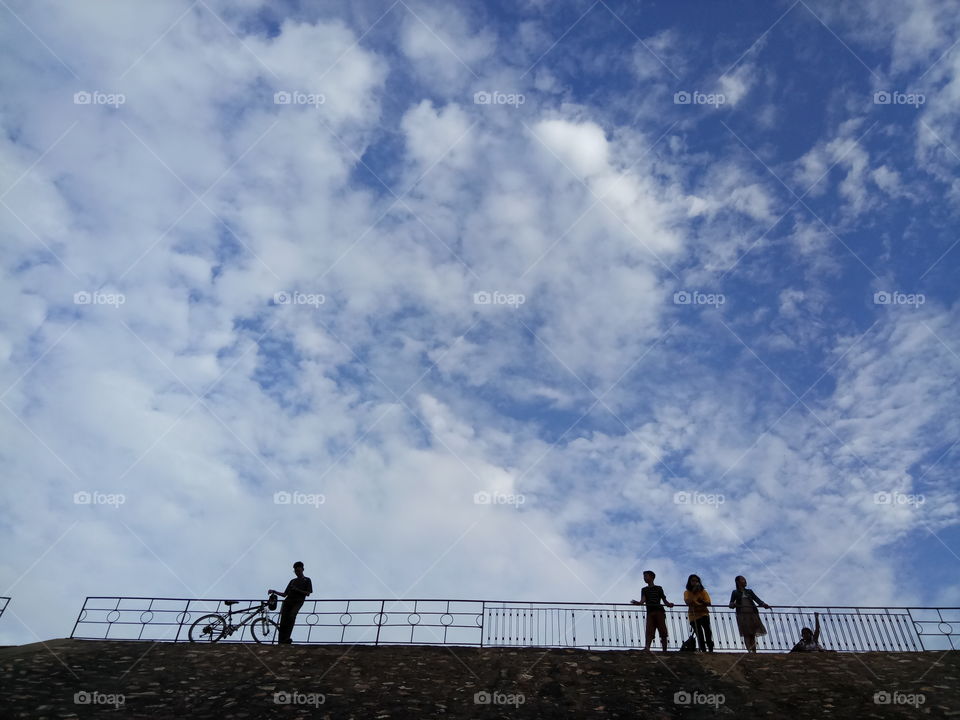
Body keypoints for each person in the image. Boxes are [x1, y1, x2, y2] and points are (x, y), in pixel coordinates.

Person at [268, 561, 313, 644]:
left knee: (292, 617)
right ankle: (281, 641)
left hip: (298, 602)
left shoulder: (307, 580)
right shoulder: (292, 581)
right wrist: (274, 591)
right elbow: (284, 594)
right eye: (295, 571)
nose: (297, 572)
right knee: (283, 621)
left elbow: (308, 593)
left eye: (298, 571)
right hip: (287, 602)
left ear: (303, 569)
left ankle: (287, 638)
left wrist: (297, 590)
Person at [630, 570, 675, 652]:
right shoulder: (644, 589)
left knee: (662, 630)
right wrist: (638, 603)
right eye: (644, 576)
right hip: (650, 612)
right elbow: (642, 600)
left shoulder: (659, 588)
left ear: (652, 577)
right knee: (649, 630)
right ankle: (647, 648)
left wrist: (669, 604)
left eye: (646, 576)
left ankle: (664, 649)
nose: (644, 578)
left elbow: (664, 600)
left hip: (659, 611)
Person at [728, 575, 771, 653]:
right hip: (742, 615)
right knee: (746, 633)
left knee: (752, 634)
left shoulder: (749, 591)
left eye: (745, 579)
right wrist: (732, 605)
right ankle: (749, 651)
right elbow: (731, 603)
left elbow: (757, 600)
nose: (745, 580)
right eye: (743, 579)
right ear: (738, 582)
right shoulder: (735, 592)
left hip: (752, 614)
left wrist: (764, 604)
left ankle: (754, 651)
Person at [683, 574, 714, 652]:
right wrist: (693, 593)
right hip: (693, 616)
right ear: (689, 582)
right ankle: (703, 650)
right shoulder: (687, 592)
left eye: (697, 581)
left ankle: (710, 648)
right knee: (699, 634)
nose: (695, 582)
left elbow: (708, 603)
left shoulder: (703, 592)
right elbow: (687, 602)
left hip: (704, 614)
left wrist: (702, 601)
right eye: (693, 581)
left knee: (707, 632)